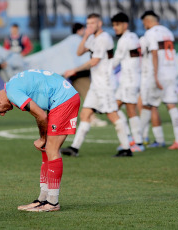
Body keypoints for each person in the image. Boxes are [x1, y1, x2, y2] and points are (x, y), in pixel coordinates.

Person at [0, 69, 80, 212]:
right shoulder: (12, 85)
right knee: (47, 149)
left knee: (51, 149)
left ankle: (52, 202)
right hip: (61, 98)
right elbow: (39, 113)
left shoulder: (13, 93)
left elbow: (41, 116)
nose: (2, 114)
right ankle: (43, 199)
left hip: (63, 99)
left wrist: (42, 138)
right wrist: (43, 139)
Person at [61, 13, 132, 157]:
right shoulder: (93, 38)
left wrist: (74, 70)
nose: (90, 26)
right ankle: (74, 148)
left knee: (112, 115)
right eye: (87, 24)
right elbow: (80, 52)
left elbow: (94, 62)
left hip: (105, 83)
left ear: (99, 24)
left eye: (92, 23)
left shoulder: (103, 39)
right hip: (96, 84)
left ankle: (126, 148)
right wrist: (86, 36)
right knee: (85, 114)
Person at [140, 10, 178, 150]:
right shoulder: (168, 32)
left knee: (147, 105)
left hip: (158, 74)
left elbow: (154, 53)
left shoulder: (150, 33)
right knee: (171, 105)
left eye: (144, 23)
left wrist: (155, 75)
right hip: (171, 72)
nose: (144, 26)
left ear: (148, 21)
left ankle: (139, 140)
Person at [111, 12, 144, 152]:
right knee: (114, 107)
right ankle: (132, 139)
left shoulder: (124, 40)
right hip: (131, 78)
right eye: (113, 25)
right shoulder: (134, 37)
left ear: (125, 25)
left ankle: (137, 142)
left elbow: (115, 61)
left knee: (129, 110)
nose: (115, 28)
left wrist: (100, 68)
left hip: (129, 80)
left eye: (117, 24)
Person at [66, 22, 108, 128]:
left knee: (71, 100)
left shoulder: (69, 41)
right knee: (89, 97)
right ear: (80, 30)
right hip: (80, 75)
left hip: (73, 75)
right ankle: (92, 119)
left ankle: (63, 120)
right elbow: (81, 57)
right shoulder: (78, 41)